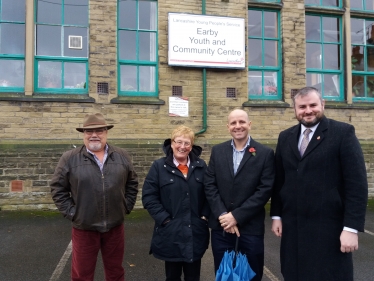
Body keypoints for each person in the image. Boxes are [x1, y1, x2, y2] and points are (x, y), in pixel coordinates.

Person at [270, 87, 368, 281]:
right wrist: (276, 215)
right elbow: (280, 180)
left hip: (329, 229)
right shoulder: (285, 137)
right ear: (295, 109)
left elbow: (356, 184)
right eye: (302, 106)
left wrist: (351, 228)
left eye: (313, 105)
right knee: (293, 274)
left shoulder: (342, 133)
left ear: (322, 104)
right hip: (294, 228)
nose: (308, 111)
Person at [50, 113, 139, 281]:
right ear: (83, 134)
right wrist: (73, 213)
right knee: (82, 274)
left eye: (99, 130)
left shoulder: (121, 156)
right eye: (89, 132)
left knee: (115, 272)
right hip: (84, 228)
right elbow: (57, 188)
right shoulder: (70, 158)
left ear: (106, 132)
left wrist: (125, 207)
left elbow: (132, 183)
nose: (94, 135)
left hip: (114, 227)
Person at [204, 108, 275, 280]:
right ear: (228, 126)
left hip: (250, 228)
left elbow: (264, 190)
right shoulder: (218, 151)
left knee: (251, 274)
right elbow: (210, 184)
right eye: (233, 123)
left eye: (242, 122)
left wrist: (236, 216)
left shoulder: (265, 153)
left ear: (249, 124)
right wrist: (223, 215)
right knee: (224, 273)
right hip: (222, 228)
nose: (238, 126)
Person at [142, 125, 210, 281]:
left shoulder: (201, 166)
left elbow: (209, 194)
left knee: (193, 276)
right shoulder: (159, 167)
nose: (182, 147)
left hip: (195, 232)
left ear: (191, 146)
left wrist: (204, 217)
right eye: (179, 142)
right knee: (172, 276)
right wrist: (165, 220)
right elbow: (149, 196)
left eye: (187, 143)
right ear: (171, 143)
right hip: (171, 233)